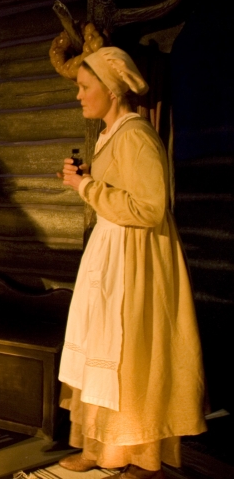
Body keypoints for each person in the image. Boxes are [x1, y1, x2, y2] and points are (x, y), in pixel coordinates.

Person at [56, 47, 206, 479]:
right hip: (110, 252)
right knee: (99, 346)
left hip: (135, 258)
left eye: (85, 87)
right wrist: (88, 179)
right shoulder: (110, 134)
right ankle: (97, 446)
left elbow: (150, 207)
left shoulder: (136, 134)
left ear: (110, 89)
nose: (79, 96)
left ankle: (137, 455)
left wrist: (87, 186)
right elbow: (119, 190)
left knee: (130, 353)